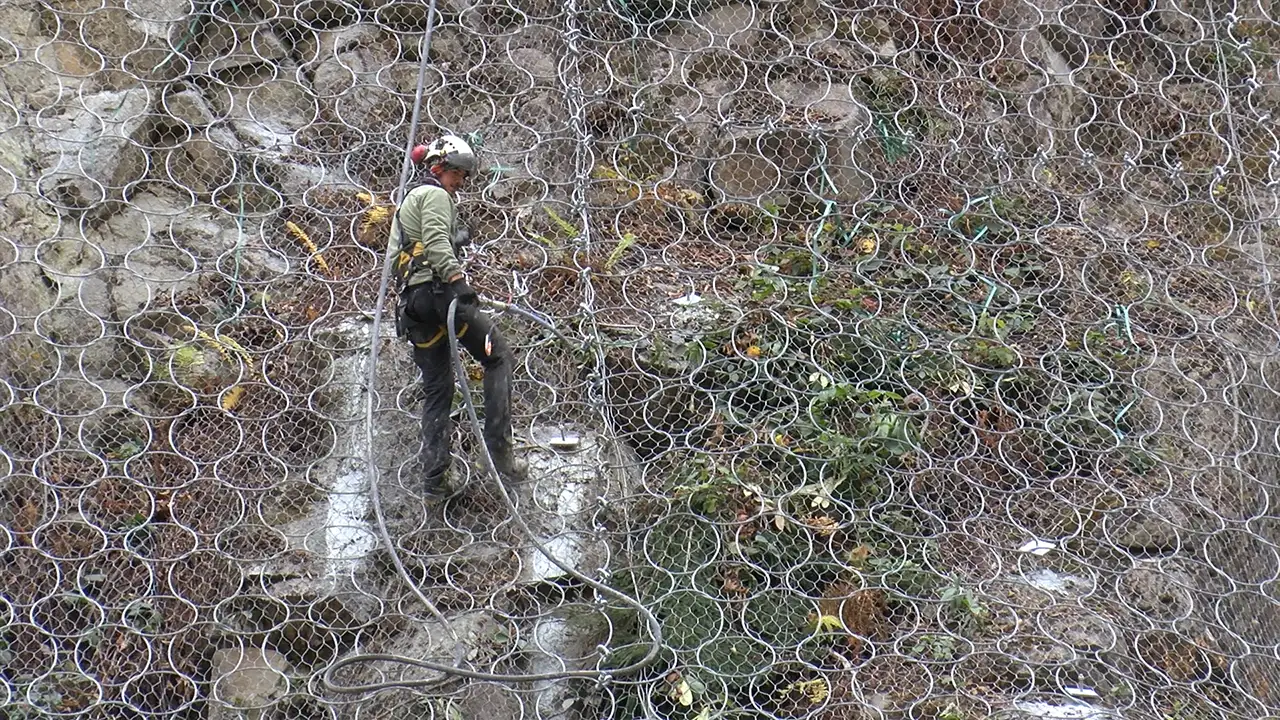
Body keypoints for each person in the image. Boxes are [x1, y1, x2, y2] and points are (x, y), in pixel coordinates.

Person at [389, 134, 528, 497]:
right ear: (440, 168)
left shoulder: (409, 201)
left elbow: (412, 249)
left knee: (438, 388)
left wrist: (456, 239)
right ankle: (500, 457)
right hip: (440, 296)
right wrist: (457, 281)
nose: (462, 183)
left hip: (414, 307)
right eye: (459, 175)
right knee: (497, 357)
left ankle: (435, 478)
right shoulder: (435, 195)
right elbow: (435, 243)